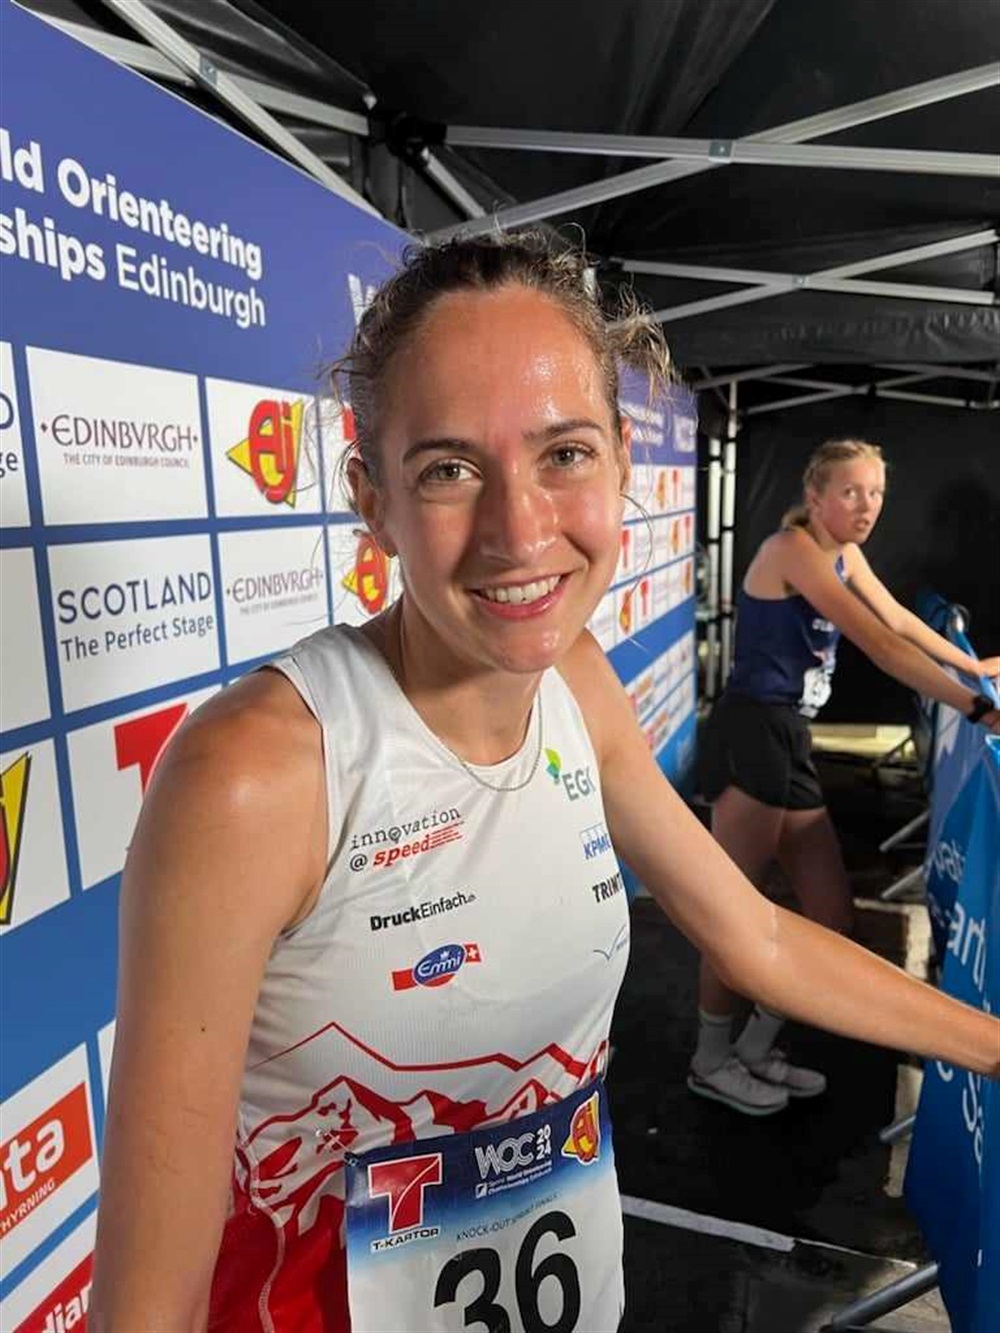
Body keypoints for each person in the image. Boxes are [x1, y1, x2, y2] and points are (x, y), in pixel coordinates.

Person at [90, 233, 1000, 1333]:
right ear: (372, 499)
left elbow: (755, 937)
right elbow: (147, 1303)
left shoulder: (577, 679)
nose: (519, 532)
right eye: (448, 469)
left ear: (621, 462)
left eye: (563, 453)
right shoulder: (255, 772)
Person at [690, 438, 1000, 1116]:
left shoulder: (842, 552)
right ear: (815, 496)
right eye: (851, 492)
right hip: (752, 734)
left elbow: (900, 620)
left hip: (789, 739)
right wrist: (976, 707)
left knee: (831, 914)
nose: (867, 506)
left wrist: (975, 667)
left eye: (877, 493)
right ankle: (710, 1060)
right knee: (732, 910)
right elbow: (881, 645)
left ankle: (754, 1047)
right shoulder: (792, 549)